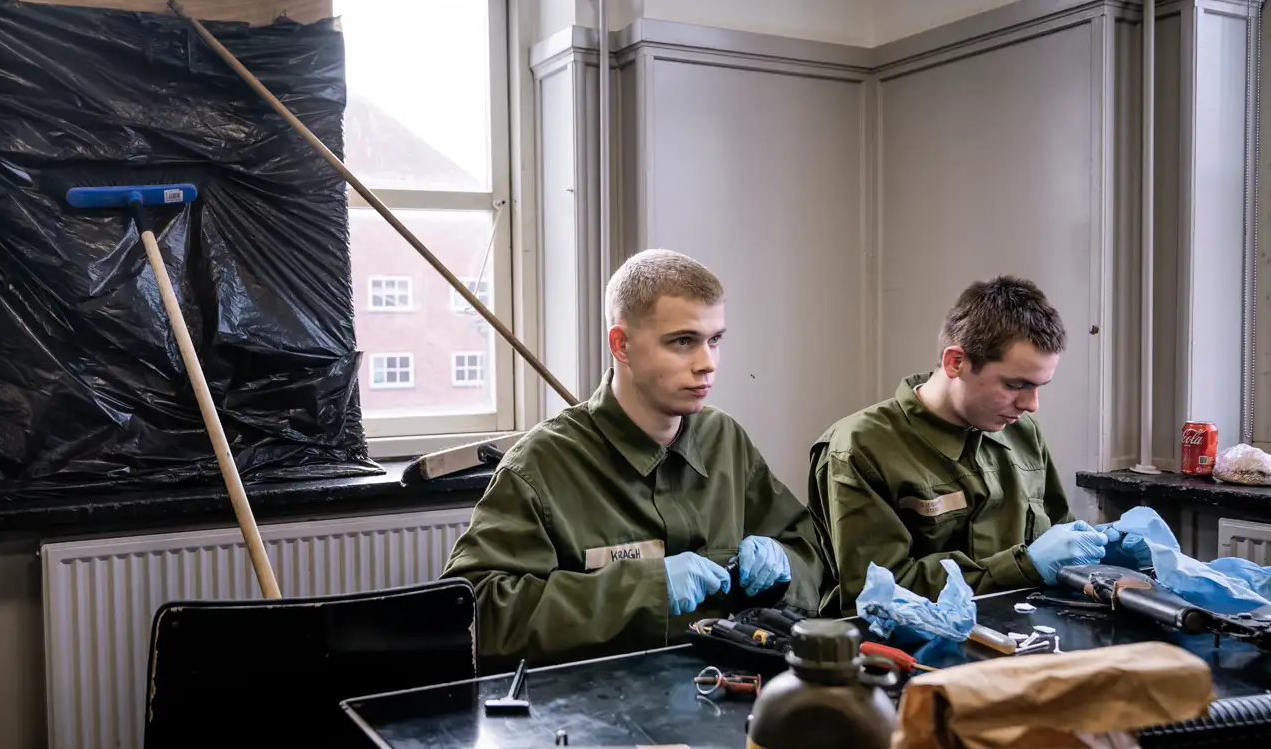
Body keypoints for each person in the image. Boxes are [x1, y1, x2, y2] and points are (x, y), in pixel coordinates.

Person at [442, 249, 825, 667]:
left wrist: (784, 563)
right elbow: (475, 611)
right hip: (596, 708)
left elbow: (809, 552)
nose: (707, 364)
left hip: (725, 693)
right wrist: (644, 588)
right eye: (683, 342)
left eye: (715, 340)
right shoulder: (540, 466)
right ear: (621, 344)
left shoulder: (724, 440)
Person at [806, 276, 1109, 616]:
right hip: (913, 650)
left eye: (1040, 386)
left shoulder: (1022, 433)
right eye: (1014, 384)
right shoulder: (860, 448)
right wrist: (1023, 566)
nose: (1031, 404)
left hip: (1024, 634)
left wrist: (1104, 550)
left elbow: (1057, 537)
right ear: (955, 362)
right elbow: (879, 593)